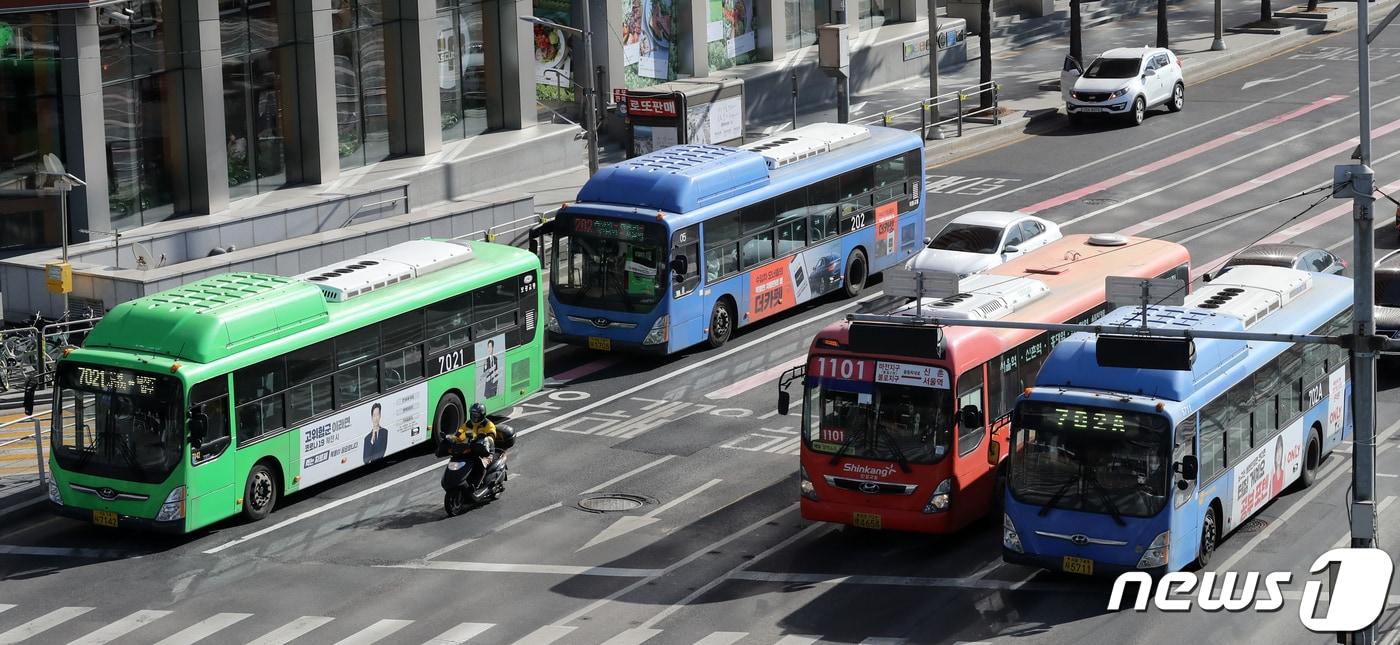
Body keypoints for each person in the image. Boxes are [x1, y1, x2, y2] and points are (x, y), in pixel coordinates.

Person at [452, 403, 498, 489]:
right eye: (473, 415)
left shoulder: (488, 424)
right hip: (471, 449)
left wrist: (486, 439)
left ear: (482, 415)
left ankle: (477, 485)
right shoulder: (468, 423)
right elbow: (460, 433)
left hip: (486, 452)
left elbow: (492, 436)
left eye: (476, 415)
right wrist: (452, 439)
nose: (474, 417)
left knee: (481, 464)